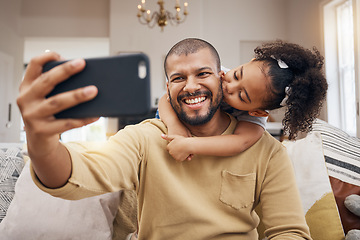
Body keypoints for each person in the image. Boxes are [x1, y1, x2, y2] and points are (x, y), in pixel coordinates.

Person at [17, 38, 313, 239]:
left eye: (203, 73)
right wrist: (40, 141)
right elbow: (77, 176)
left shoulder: (265, 150)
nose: (191, 86)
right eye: (178, 78)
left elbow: (289, 231)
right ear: (168, 86)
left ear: (218, 77)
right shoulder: (144, 138)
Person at [158, 40, 328, 161]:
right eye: (238, 74)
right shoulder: (217, 74)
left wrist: (191, 145)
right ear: (249, 63)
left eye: (241, 96)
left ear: (257, 111)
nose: (229, 86)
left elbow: (236, 144)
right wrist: (175, 126)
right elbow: (164, 99)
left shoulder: (255, 121)